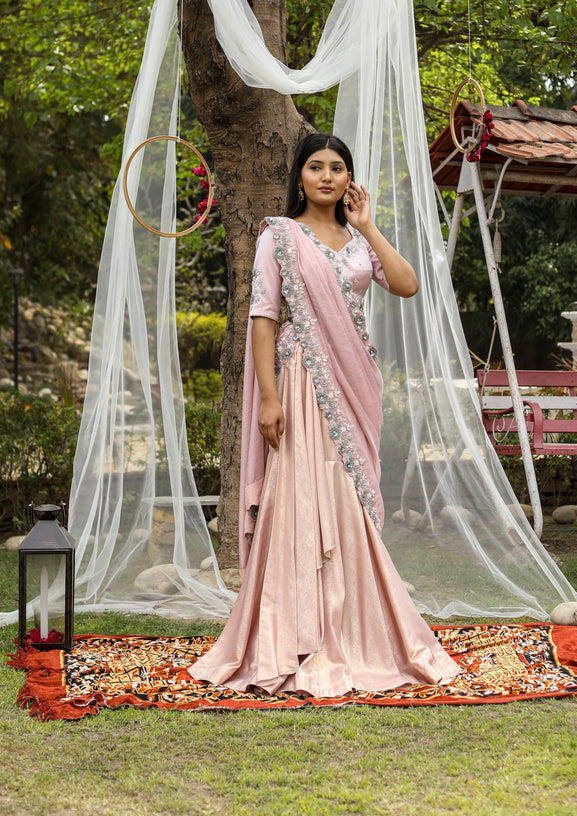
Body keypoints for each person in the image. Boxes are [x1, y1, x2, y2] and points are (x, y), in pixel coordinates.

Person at [188, 134, 461, 696]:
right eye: (316, 167)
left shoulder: (359, 242)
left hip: (353, 385)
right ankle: (296, 632)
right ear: (300, 177)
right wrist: (268, 396)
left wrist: (368, 225)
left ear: (349, 180)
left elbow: (406, 285)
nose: (328, 177)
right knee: (299, 499)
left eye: (338, 168)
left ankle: (355, 627)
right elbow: (263, 317)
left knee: (347, 501)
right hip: (301, 384)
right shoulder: (280, 237)